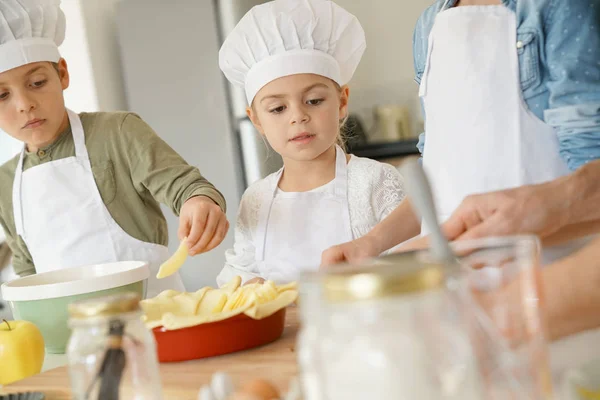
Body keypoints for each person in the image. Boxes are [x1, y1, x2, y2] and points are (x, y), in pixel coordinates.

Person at [322, 0, 600, 267]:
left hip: (552, 276)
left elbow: (592, 184)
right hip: (457, 285)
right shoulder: (428, 26)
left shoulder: (558, 7)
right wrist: (371, 244)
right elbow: (437, 180)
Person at [0, 0, 229, 298]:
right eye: (2, 94)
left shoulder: (116, 132)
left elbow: (185, 186)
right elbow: (28, 272)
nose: (24, 104)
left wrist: (199, 202)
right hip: (73, 337)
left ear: (63, 74)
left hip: (153, 318)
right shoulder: (5, 183)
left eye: (37, 82)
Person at [215, 0, 407, 285]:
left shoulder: (376, 181)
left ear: (342, 102)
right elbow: (241, 271)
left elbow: (410, 260)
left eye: (314, 101)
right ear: (256, 120)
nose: (298, 117)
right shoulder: (256, 200)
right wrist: (248, 283)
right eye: (278, 109)